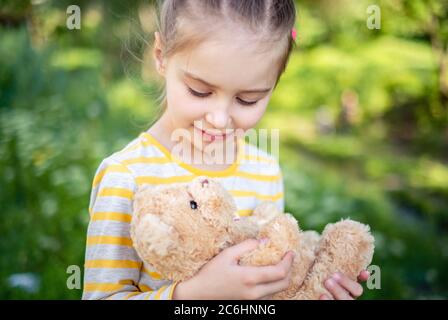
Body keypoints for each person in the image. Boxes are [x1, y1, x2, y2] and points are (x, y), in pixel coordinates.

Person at [82, 0, 369, 300]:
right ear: (161, 56)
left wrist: (309, 289)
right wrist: (192, 295)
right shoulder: (126, 177)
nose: (219, 119)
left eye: (247, 100)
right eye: (200, 91)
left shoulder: (264, 171)